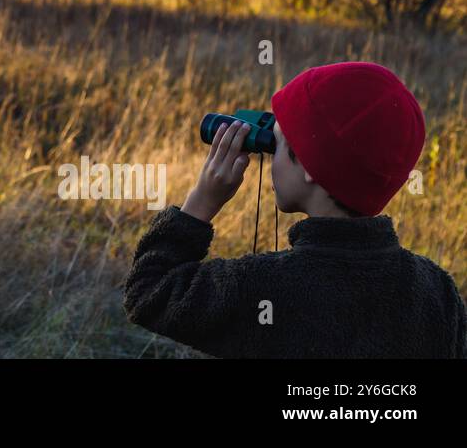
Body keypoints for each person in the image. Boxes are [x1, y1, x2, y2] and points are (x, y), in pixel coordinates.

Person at [124, 61, 467, 357]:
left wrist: (202, 200)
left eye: (278, 142)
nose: (270, 159)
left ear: (309, 166)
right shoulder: (437, 293)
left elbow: (148, 292)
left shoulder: (263, 290)